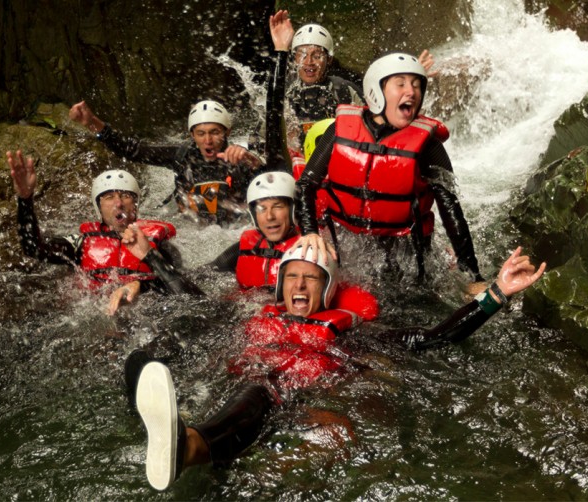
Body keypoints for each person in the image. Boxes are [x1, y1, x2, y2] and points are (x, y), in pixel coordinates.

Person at [131, 243, 545, 490]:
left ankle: (193, 447)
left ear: (327, 291)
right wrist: (150, 261)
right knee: (249, 382)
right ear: (279, 287)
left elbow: (433, 337)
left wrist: (496, 293)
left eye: (311, 279)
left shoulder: (348, 333)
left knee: (293, 408)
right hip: (247, 389)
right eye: (292, 277)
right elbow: (196, 303)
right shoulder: (254, 320)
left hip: (300, 401)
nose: (299, 285)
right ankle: (186, 442)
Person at [294, 52, 486, 289]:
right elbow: (305, 185)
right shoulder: (339, 130)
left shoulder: (429, 146)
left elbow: (451, 211)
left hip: (407, 254)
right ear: (376, 90)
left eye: (417, 85)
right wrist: (309, 232)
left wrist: (473, 277)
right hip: (348, 246)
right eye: (401, 84)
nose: (412, 91)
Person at [7, 150, 188, 314]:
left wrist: (141, 285)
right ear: (99, 208)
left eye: (125, 196)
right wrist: (25, 200)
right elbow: (32, 247)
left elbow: (185, 294)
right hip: (94, 319)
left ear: (136, 205)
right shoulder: (81, 243)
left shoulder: (158, 244)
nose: (118, 203)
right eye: (109, 197)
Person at [69, 99, 263, 224]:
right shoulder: (182, 156)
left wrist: (255, 165)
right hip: (191, 230)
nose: (208, 140)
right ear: (191, 135)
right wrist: (92, 122)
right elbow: (132, 150)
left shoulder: (242, 159)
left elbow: (274, 188)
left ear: (227, 132)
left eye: (215, 132)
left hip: (233, 229)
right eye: (201, 133)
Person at [284, 21, 435, 149]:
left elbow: (380, 118)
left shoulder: (344, 90)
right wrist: (281, 48)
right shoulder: (287, 93)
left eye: (317, 56)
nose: (309, 61)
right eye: (302, 55)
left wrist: (410, 76)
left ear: (329, 59)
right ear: (294, 59)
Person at [206, 171, 300, 290]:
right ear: (254, 215)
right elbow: (206, 273)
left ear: (293, 210)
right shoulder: (247, 245)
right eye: (262, 209)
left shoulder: (307, 249)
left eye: (277, 206)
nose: (269, 216)